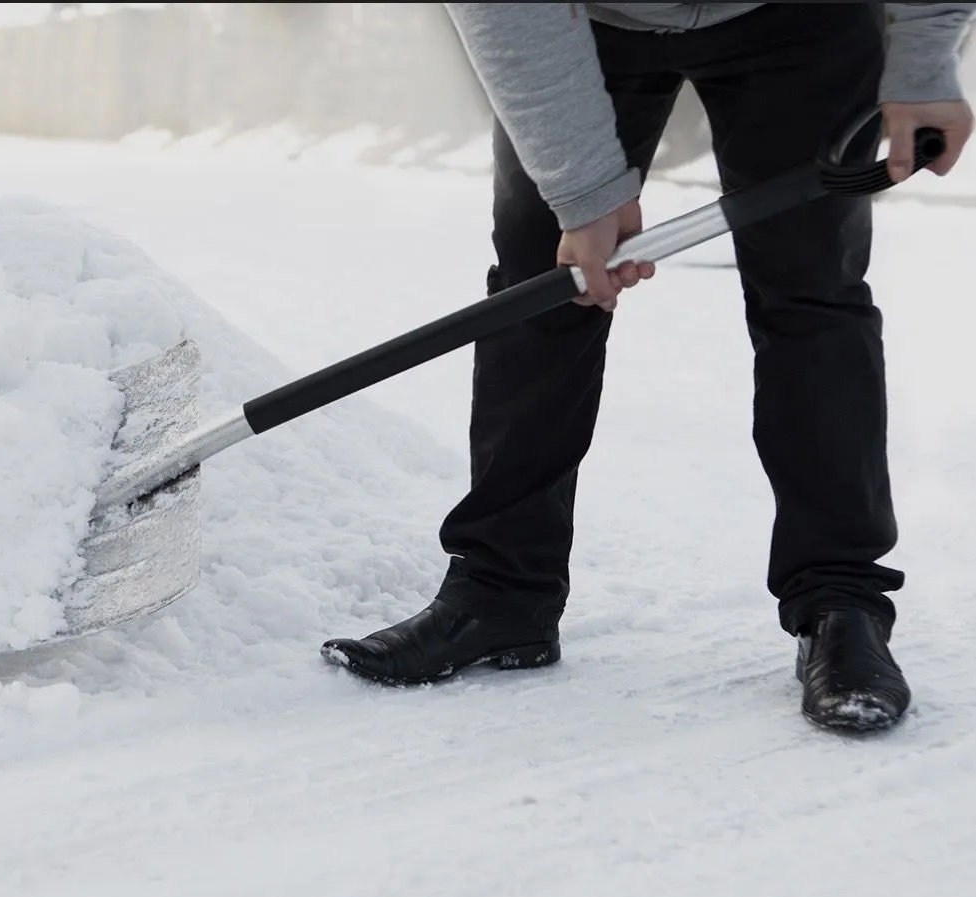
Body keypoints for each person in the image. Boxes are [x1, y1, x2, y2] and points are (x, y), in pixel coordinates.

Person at [322, 2, 974, 733]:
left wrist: (921, 56)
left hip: (798, 19)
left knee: (812, 296)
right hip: (582, 21)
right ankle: (501, 592)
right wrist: (586, 193)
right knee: (543, 290)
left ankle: (840, 604)